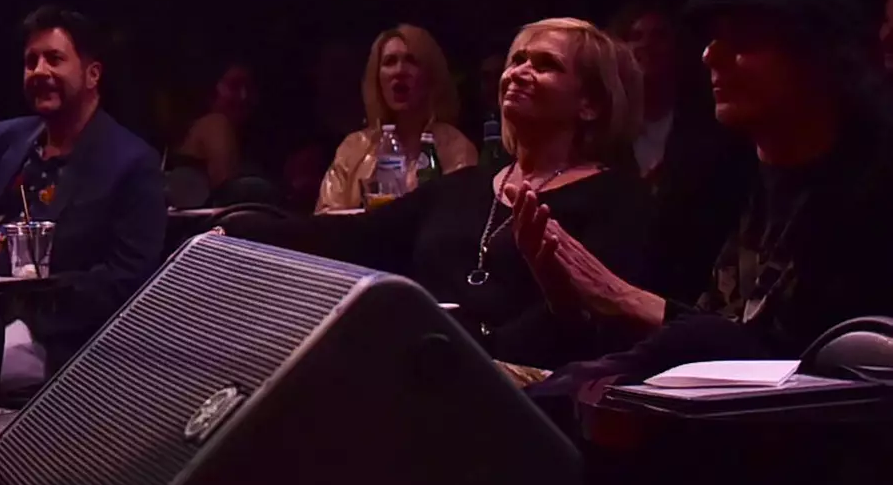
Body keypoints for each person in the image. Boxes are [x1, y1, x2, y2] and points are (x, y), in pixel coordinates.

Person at [516, 0, 893, 367]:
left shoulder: (873, 193)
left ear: (821, 62)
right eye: (713, 40)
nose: (709, 56)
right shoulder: (710, 181)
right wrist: (567, 300)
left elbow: (802, 361)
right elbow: (639, 342)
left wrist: (624, 298)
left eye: (742, 41)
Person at [231, 19, 653, 369]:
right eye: (517, 60)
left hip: (518, 391)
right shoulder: (465, 186)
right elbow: (350, 237)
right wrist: (236, 230)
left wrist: (471, 357)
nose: (519, 72)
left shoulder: (616, 199)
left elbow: (594, 324)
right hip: (420, 368)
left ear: (590, 106)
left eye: (545, 65)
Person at [0, 7, 164, 395]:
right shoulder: (4, 139)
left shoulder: (131, 162)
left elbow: (127, 280)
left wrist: (31, 298)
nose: (39, 71)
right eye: (31, 61)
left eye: (54, 59)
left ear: (93, 74)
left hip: (48, 331)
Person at [608, 0, 753, 303]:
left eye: (659, 35)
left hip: (690, 284)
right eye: (635, 36)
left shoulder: (714, 125)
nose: (647, 45)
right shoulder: (603, 130)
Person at [315, 25, 478, 211]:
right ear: (377, 78)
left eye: (411, 61)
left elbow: (463, 219)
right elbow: (325, 219)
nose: (399, 71)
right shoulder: (353, 148)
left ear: (430, 76)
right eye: (389, 62)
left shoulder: (456, 148)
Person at [174, 59, 266, 196]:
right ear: (212, 89)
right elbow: (229, 192)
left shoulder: (236, 135)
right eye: (234, 86)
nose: (244, 96)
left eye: (249, 88)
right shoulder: (216, 123)